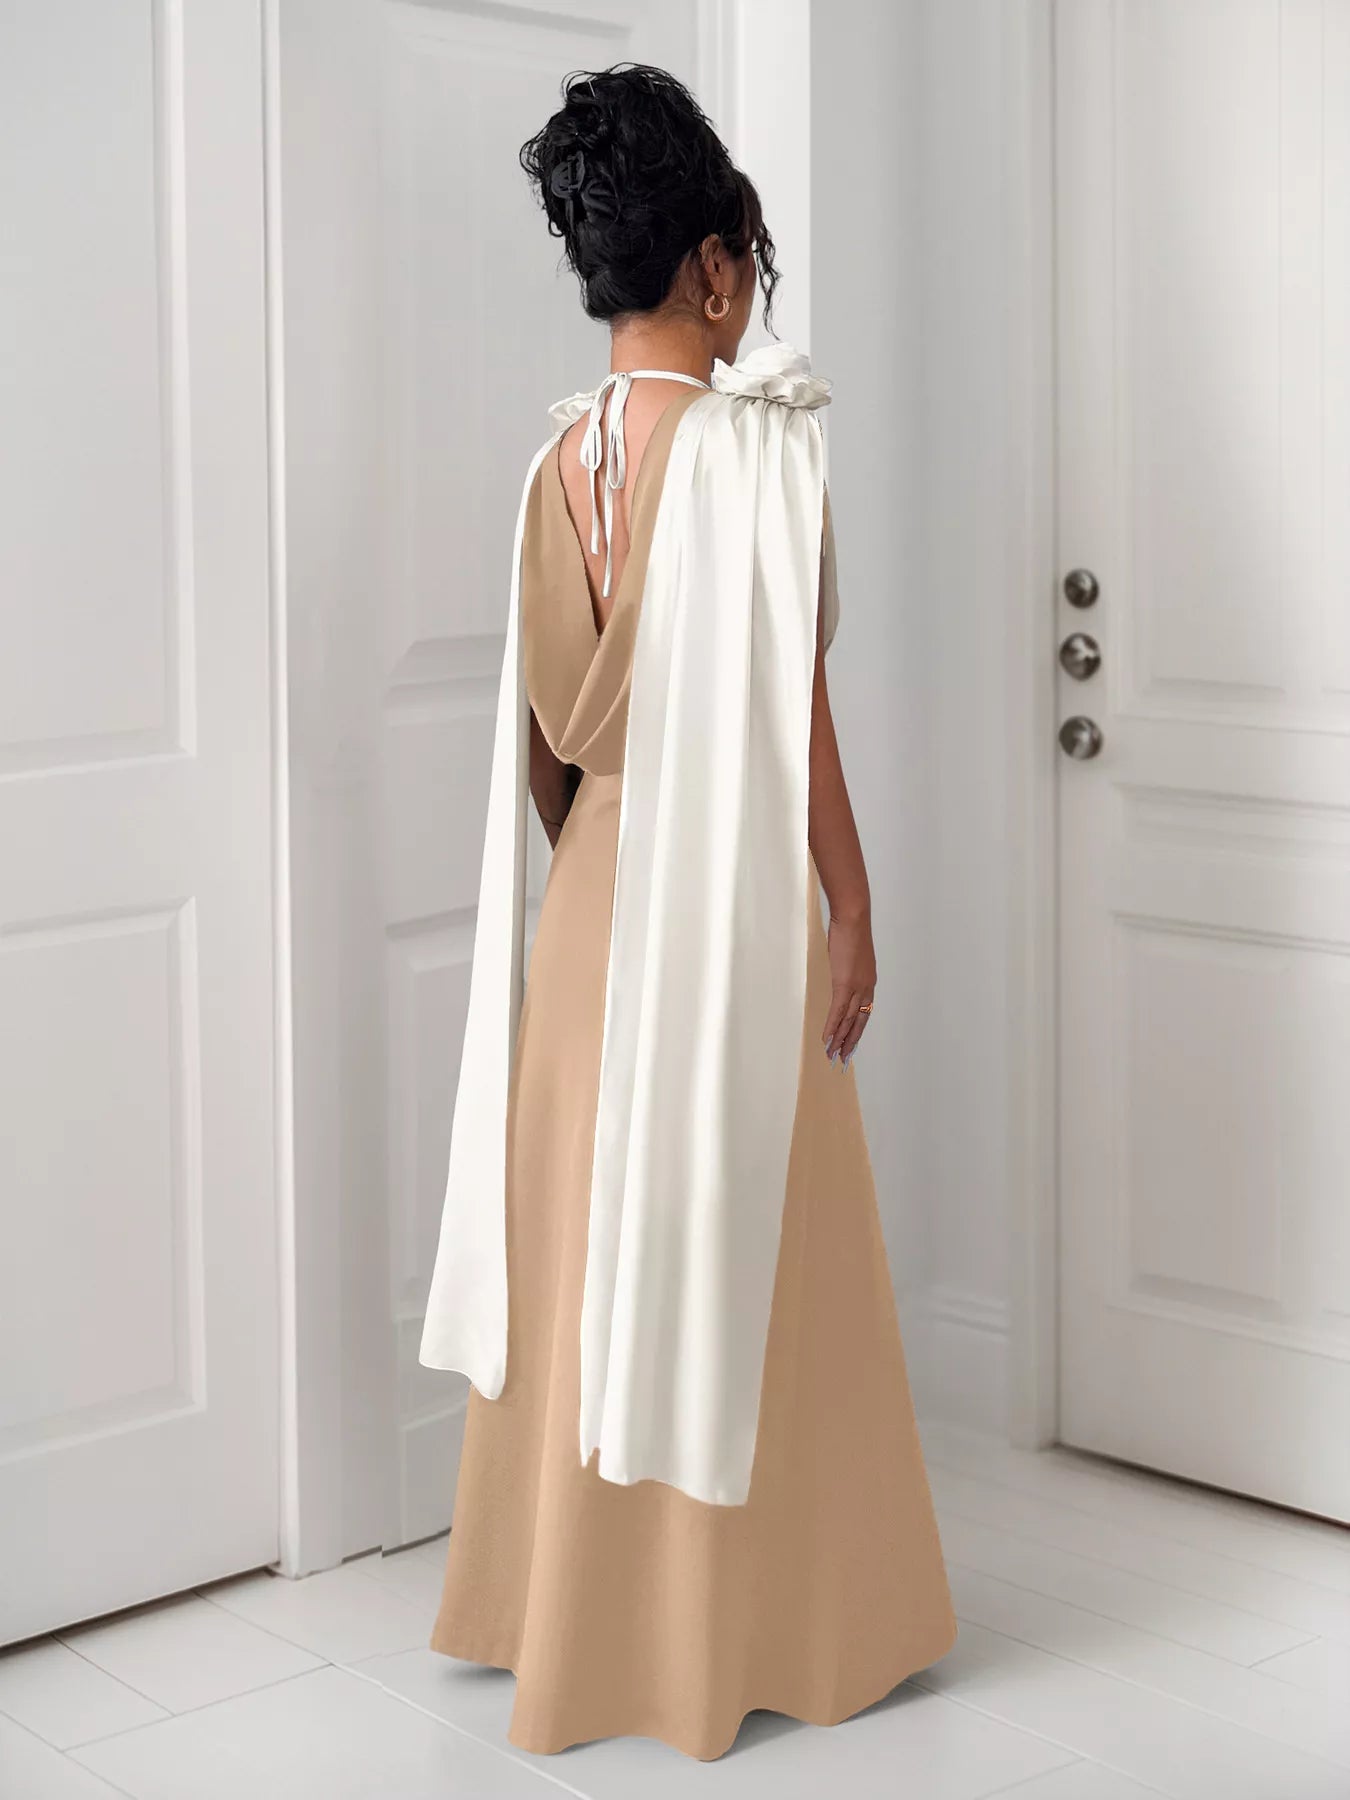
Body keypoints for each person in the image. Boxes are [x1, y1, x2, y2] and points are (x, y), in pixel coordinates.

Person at [418, 62, 955, 1762]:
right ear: (712, 266)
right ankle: (748, 1631)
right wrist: (850, 905)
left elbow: (543, 748)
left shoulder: (550, 467)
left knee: (587, 1250)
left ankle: (566, 1626)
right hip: (725, 896)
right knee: (749, 1240)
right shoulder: (750, 453)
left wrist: (599, 856)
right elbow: (792, 717)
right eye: (748, 270)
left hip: (592, 896)